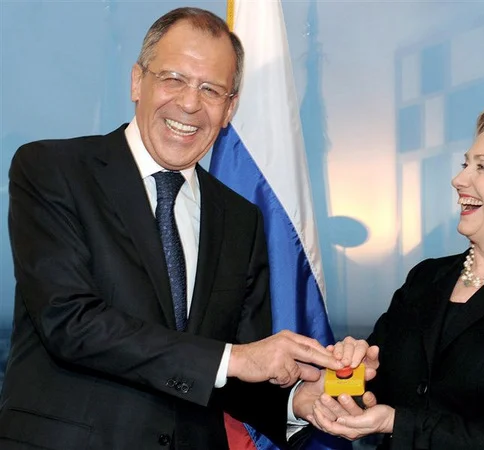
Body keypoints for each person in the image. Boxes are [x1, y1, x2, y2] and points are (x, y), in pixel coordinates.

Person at [0, 7, 344, 450]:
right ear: (136, 82)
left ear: (229, 109)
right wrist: (235, 359)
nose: (189, 104)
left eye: (211, 89)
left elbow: (235, 369)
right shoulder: (53, 169)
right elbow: (69, 322)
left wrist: (298, 401)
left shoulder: (241, 218)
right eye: (174, 79)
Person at [305, 105, 484, 449]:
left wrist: (396, 423)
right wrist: (357, 374)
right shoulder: (426, 278)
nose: (458, 180)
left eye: (482, 167)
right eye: (465, 164)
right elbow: (378, 393)